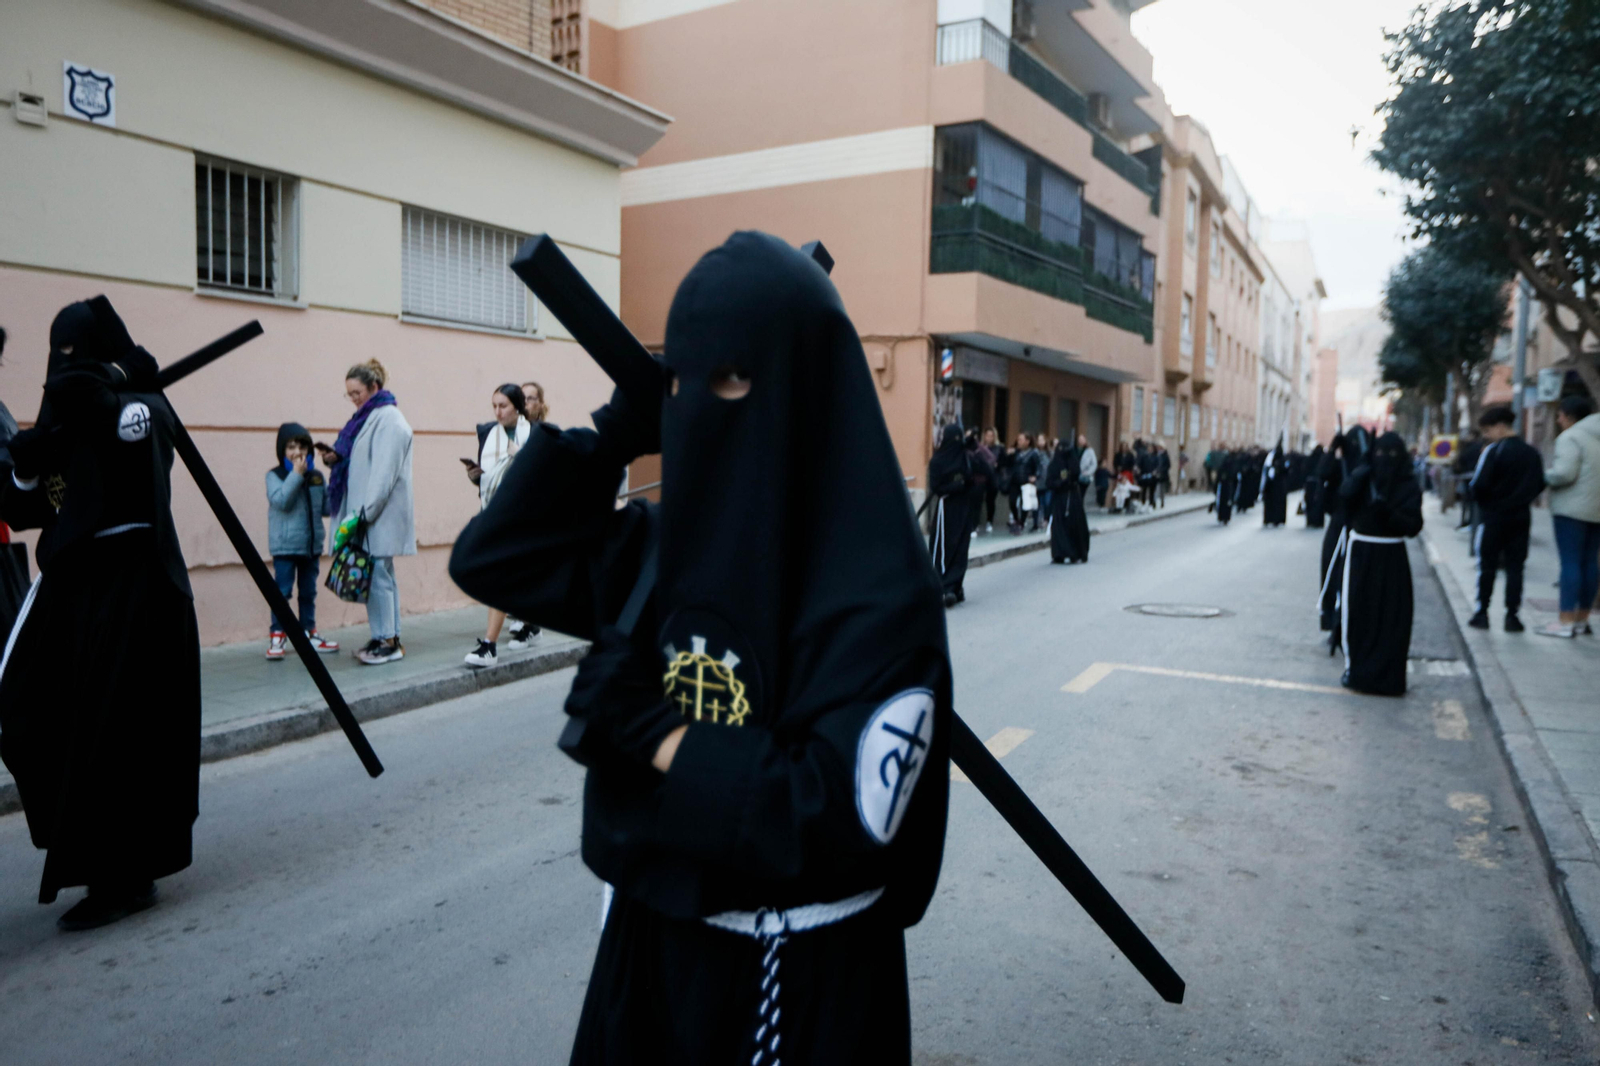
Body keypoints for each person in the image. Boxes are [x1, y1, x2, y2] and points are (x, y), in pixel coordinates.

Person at [449, 231, 950, 1065]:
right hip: (646, 955)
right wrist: (615, 431)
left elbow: (842, 816)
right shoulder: (659, 552)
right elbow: (495, 559)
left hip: (792, 987)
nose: (700, 405)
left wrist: (659, 735)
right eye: (680, 380)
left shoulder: (877, 593)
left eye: (731, 379)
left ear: (806, 391)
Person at [0, 297, 199, 929]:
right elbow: (33, 503)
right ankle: (85, 855)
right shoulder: (64, 405)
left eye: (74, 352)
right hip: (69, 588)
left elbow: (135, 447)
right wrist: (29, 469)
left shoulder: (141, 404)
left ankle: (125, 875)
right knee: (31, 709)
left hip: (133, 587)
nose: (62, 366)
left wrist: (111, 386)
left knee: (117, 734)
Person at [319, 359, 414, 665]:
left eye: (357, 392)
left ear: (374, 387)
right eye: (348, 394)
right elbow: (362, 464)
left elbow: (384, 474)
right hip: (368, 515)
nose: (353, 398)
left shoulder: (389, 420)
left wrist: (364, 514)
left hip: (375, 515)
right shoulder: (368, 418)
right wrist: (338, 459)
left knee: (377, 578)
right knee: (380, 576)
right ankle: (386, 637)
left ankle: (388, 642)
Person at [1339, 431, 1424, 695]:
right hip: (1362, 554)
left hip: (1392, 559)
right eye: (1379, 454)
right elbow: (1343, 504)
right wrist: (1356, 478)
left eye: (1392, 455)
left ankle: (1389, 679)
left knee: (1392, 620)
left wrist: (1389, 513)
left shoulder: (1408, 485)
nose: (1385, 460)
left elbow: (1413, 527)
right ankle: (1359, 673)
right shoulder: (1364, 477)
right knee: (1359, 615)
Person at [465, 384, 533, 666]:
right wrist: (475, 476)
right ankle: (527, 625)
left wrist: (522, 456)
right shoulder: (488, 434)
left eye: (503, 405)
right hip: (495, 513)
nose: (497, 411)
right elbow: (488, 479)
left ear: (517, 406)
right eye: (494, 405)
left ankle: (491, 645)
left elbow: (544, 474)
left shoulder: (536, 434)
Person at [1465, 406, 1546, 633]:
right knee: (1515, 567)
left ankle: (1482, 613)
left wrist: (1487, 504)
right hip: (1521, 517)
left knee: (1487, 565)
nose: (1486, 435)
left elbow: (1478, 485)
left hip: (1494, 517)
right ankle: (1512, 616)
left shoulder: (1493, 451)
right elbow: (1540, 484)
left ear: (1500, 426)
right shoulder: (1532, 453)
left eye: (1488, 430)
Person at [264, 423, 337, 660]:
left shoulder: (316, 477)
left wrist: (336, 473)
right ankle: (278, 634)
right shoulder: (274, 476)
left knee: (308, 592)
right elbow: (281, 501)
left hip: (311, 546)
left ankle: (309, 632)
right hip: (285, 546)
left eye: (302, 446)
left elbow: (327, 508)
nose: (297, 452)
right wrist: (296, 475)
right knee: (282, 592)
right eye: (291, 447)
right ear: (282, 450)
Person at [1541, 394, 1600, 638]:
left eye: (1560, 415)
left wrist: (1544, 475)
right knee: (1590, 563)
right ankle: (1581, 620)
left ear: (1567, 416)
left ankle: (1564, 621)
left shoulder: (1571, 437)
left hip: (1571, 510)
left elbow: (1564, 473)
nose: (1558, 419)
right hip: (1596, 510)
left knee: (1570, 563)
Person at [927, 423, 976, 606]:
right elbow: (937, 487)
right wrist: (959, 485)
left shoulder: (965, 457)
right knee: (943, 548)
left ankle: (955, 586)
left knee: (961, 548)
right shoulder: (938, 460)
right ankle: (942, 586)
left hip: (964, 507)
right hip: (945, 509)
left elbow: (974, 475)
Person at [1046, 438, 1090, 564]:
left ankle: (1074, 552)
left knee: (1074, 526)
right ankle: (1059, 553)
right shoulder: (1054, 465)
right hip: (1060, 499)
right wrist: (1060, 482)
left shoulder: (1073, 462)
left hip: (1073, 498)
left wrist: (1070, 477)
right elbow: (1049, 482)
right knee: (1059, 527)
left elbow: (1076, 474)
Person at [975, 427, 1000, 532]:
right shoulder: (979, 448)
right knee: (978, 501)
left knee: (990, 501)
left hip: (993, 477)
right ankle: (976, 523)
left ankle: (990, 521)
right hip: (981, 478)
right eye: (987, 435)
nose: (989, 438)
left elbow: (1002, 462)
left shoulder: (998, 448)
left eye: (991, 435)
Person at [1260, 438, 1289, 527]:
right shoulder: (1280, 460)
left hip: (1273, 486)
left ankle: (1272, 519)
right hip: (1277, 486)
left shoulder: (1274, 459)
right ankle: (1276, 519)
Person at [1303, 444, 1327, 528]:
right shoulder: (1323, 459)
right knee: (1318, 504)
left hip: (1310, 484)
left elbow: (1304, 470)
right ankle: (1318, 522)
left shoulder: (1310, 458)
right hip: (1319, 484)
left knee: (1310, 502)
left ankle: (1310, 521)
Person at [1214, 449, 1238, 525]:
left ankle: (1222, 517)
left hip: (1225, 486)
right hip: (1228, 486)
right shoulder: (1232, 463)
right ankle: (1225, 517)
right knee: (1227, 502)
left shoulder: (1227, 463)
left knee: (1225, 502)